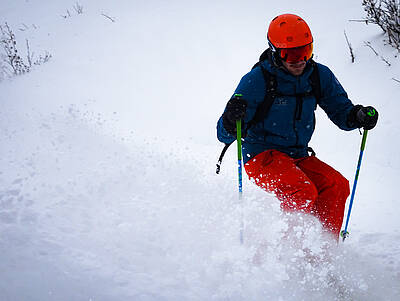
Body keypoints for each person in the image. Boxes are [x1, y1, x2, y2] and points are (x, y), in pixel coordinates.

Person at [216, 13, 378, 239]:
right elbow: (223, 134)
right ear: (275, 52)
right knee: (302, 190)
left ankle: (324, 253)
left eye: (305, 51)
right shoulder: (257, 80)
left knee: (336, 185)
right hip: (261, 156)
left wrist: (357, 116)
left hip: (298, 155)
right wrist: (231, 119)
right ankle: (288, 254)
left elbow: (342, 113)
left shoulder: (318, 76)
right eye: (290, 54)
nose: (299, 60)